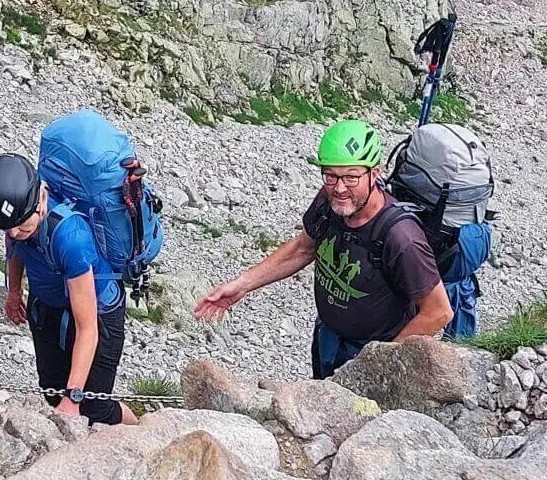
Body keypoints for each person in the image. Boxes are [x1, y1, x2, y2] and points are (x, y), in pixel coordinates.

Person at [194, 118, 454, 379]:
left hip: (370, 351)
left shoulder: (401, 237)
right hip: (329, 337)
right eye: (330, 175)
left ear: (374, 174)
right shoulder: (329, 202)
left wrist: (376, 362)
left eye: (352, 177)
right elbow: (302, 249)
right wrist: (240, 286)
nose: (339, 188)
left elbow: (438, 311)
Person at [0, 153, 137, 426]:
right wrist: (13, 291)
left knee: (94, 407)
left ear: (41, 199)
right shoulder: (19, 214)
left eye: (20, 225)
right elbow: (14, 248)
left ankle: (144, 433)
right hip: (48, 304)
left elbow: (87, 328)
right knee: (51, 390)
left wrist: (73, 398)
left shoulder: (71, 238)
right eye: (7, 227)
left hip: (96, 310)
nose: (14, 233)